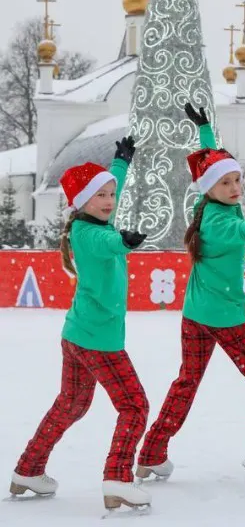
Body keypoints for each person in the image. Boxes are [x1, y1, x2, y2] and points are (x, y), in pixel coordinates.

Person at [137, 103, 245, 491]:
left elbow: (212, 165)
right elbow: (238, 231)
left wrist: (205, 130)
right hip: (223, 316)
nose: (236, 188)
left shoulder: (208, 204)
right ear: (211, 188)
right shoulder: (219, 220)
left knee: (187, 381)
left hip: (196, 314)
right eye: (228, 183)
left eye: (237, 180)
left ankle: (152, 453)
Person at [10, 139, 153, 513]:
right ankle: (118, 479)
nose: (109, 200)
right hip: (98, 340)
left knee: (71, 404)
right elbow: (109, 242)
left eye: (111, 194)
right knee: (134, 406)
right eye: (100, 195)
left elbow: (110, 190)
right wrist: (126, 238)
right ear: (81, 202)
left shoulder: (91, 221)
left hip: (77, 334)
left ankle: (28, 469)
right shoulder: (89, 233)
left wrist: (120, 162)